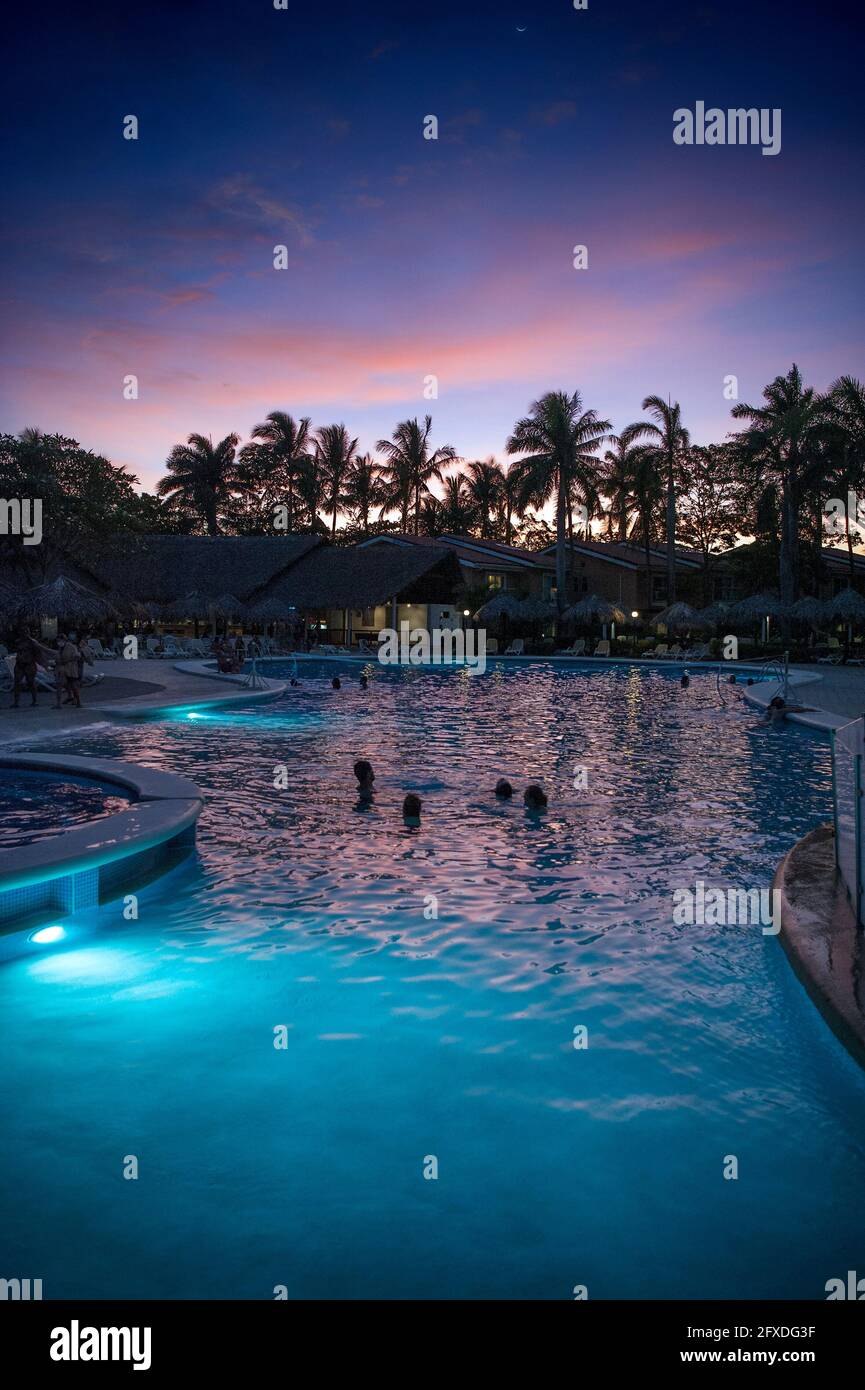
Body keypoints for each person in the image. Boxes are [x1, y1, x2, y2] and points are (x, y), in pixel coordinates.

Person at [11, 631, 41, 708]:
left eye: (26, 632)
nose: (24, 634)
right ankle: (16, 702)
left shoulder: (32, 642)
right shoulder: (18, 642)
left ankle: (35, 700)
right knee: (17, 683)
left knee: (31, 682)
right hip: (20, 664)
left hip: (29, 664)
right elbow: (15, 650)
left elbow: (38, 652)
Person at [54, 632, 82, 708]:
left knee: (73, 687)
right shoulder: (60, 648)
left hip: (71, 670)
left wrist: (68, 660)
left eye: (60, 640)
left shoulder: (71, 647)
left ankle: (78, 702)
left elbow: (77, 656)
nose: (59, 642)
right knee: (59, 685)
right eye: (58, 641)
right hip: (62, 670)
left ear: (64, 640)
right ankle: (58, 704)